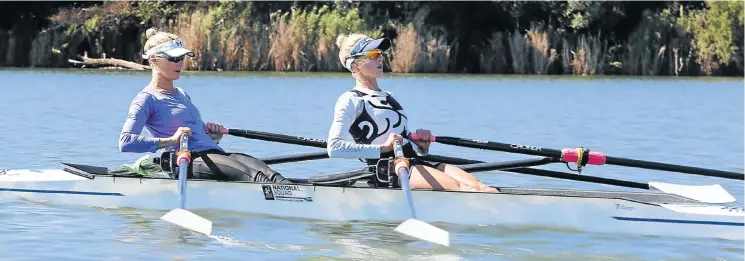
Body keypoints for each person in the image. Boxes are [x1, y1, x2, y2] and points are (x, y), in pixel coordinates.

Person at [325, 33, 498, 193]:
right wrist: (383, 148)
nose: (380, 58)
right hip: (389, 169)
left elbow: (405, 140)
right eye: (372, 55)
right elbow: (334, 148)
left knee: (480, 187)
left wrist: (421, 146)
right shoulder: (350, 100)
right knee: (460, 188)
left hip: (413, 162)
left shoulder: (389, 96)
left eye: (380, 54)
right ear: (354, 65)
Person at [118, 28, 291, 184]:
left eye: (182, 57)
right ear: (155, 60)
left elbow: (196, 132)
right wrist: (171, 140)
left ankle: (301, 195)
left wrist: (213, 136)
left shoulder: (182, 94)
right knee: (253, 175)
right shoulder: (146, 99)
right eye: (174, 58)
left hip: (212, 154)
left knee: (266, 171)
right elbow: (126, 142)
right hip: (187, 161)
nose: (180, 62)